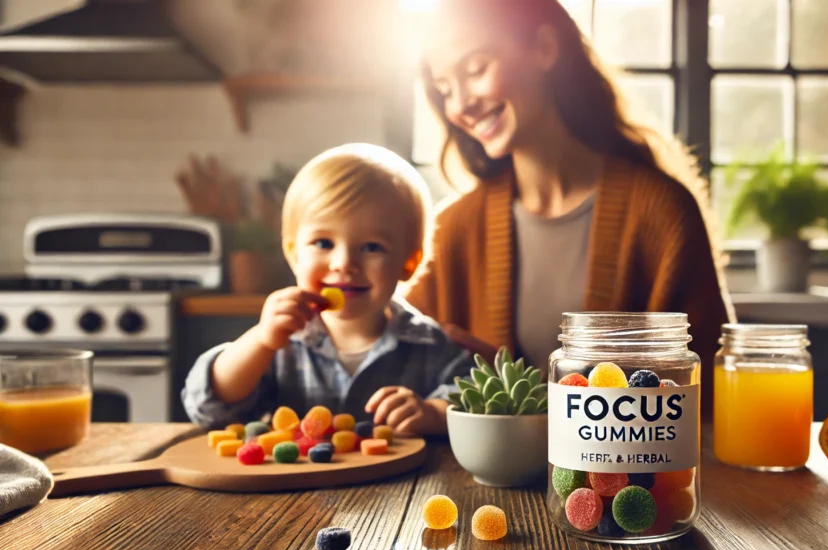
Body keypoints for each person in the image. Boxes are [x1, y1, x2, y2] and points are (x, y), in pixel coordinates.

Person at [404, 0, 734, 418]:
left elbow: (710, 395)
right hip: (476, 483)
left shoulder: (662, 213)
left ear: (544, 48)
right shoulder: (452, 228)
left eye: (475, 70)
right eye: (445, 89)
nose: (460, 105)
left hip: (632, 481)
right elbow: (389, 350)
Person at [182, 144, 474, 434]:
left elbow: (478, 399)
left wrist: (433, 413)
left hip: (401, 482)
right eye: (323, 243)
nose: (344, 264)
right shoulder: (281, 345)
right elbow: (208, 409)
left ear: (408, 263)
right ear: (295, 254)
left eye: (372, 247)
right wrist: (260, 341)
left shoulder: (430, 345)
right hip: (299, 481)